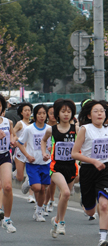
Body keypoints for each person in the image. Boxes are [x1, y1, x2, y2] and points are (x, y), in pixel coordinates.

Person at [71, 100, 108, 246]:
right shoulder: (84, 129)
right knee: (90, 211)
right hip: (88, 170)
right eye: (96, 111)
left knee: (103, 205)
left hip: (104, 170)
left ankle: (102, 240)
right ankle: (86, 202)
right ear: (89, 115)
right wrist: (93, 161)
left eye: (102, 111)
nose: (100, 113)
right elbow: (75, 153)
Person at [40, 99, 79, 238]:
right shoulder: (52, 129)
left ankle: (56, 221)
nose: (66, 114)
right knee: (66, 193)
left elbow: (83, 143)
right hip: (56, 167)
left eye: (69, 111)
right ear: (57, 114)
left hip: (71, 166)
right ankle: (61, 222)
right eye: (63, 111)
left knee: (64, 196)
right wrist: (44, 153)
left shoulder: (77, 129)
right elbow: (43, 140)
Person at [17, 104, 52, 222]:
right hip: (32, 163)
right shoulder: (29, 129)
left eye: (44, 113)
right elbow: (19, 143)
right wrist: (27, 155)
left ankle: (39, 211)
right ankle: (30, 182)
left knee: (43, 189)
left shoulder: (49, 129)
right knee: (37, 187)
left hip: (46, 163)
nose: (42, 116)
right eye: (39, 113)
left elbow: (52, 144)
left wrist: (51, 151)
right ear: (35, 115)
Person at [12, 102, 36, 203]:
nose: (27, 112)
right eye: (25, 110)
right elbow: (12, 135)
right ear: (21, 112)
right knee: (20, 177)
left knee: (31, 175)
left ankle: (31, 196)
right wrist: (19, 139)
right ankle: (14, 173)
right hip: (20, 153)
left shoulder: (33, 124)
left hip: (30, 152)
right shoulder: (19, 124)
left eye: (29, 110)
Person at [0, 94, 16, 233]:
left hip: (4, 155)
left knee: (7, 186)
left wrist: (12, 139)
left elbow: (13, 134)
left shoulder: (7, 122)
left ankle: (7, 219)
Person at [43, 105, 57, 216]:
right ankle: (45, 203)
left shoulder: (61, 127)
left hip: (56, 159)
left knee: (52, 182)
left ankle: (50, 201)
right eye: (50, 113)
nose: (53, 115)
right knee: (47, 183)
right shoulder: (45, 127)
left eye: (54, 113)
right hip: (43, 158)